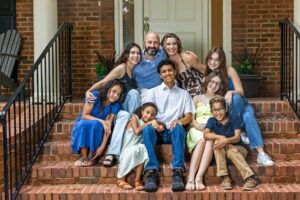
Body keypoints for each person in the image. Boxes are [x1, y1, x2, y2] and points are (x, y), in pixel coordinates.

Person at [205, 46, 274, 166]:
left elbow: (241, 91)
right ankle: (260, 152)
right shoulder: (207, 74)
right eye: (211, 59)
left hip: (241, 105)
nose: (213, 62)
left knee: (236, 98)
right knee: (248, 118)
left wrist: (230, 92)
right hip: (227, 111)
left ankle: (244, 135)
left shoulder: (229, 70)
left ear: (222, 61)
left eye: (217, 60)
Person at [142, 59, 195, 192]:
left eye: (170, 70)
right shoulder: (152, 92)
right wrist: (155, 123)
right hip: (157, 130)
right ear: (160, 75)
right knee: (147, 129)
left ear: (175, 72)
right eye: (164, 72)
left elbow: (189, 116)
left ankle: (177, 171)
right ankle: (151, 172)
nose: (167, 73)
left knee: (179, 128)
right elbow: (147, 115)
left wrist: (179, 121)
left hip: (174, 131)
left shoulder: (184, 94)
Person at [85, 43, 142, 166]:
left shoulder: (135, 71)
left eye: (138, 53)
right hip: (116, 109)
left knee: (125, 115)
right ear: (126, 55)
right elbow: (104, 82)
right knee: (133, 93)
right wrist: (88, 91)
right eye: (132, 53)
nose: (135, 56)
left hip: (124, 112)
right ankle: (112, 153)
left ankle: (113, 152)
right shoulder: (121, 68)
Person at [203, 95, 258, 191]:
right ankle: (225, 177)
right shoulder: (212, 120)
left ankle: (251, 178)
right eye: (215, 110)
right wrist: (220, 137)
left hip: (239, 150)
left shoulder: (234, 118)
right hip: (223, 154)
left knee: (231, 150)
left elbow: (237, 138)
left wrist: (226, 141)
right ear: (211, 111)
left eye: (220, 109)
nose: (218, 112)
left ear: (225, 108)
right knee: (217, 145)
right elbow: (206, 134)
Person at [185, 72, 224, 191]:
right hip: (196, 128)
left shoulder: (220, 100)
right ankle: (190, 178)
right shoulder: (197, 98)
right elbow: (190, 118)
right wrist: (197, 125)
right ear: (207, 81)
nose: (213, 85)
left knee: (209, 140)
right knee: (202, 140)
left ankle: (199, 177)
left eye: (217, 83)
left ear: (220, 86)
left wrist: (209, 128)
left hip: (212, 129)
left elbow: (221, 118)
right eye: (212, 81)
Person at [71, 80, 123, 166]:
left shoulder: (115, 105)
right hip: (83, 123)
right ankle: (84, 157)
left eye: (118, 94)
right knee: (88, 124)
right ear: (108, 89)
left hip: (97, 128)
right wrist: (102, 121)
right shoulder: (94, 95)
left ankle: (91, 156)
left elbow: (108, 127)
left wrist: (102, 147)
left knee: (97, 125)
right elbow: (84, 116)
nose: (115, 96)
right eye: (114, 91)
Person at [117, 102, 160, 191]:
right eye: (147, 112)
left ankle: (137, 180)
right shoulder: (134, 118)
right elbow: (136, 131)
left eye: (152, 115)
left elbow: (160, 124)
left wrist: (157, 123)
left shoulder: (149, 124)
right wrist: (149, 123)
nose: (149, 116)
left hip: (137, 149)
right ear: (141, 111)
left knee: (143, 148)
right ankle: (121, 179)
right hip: (126, 150)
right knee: (141, 148)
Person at [161, 33, 206, 98]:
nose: (171, 47)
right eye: (168, 44)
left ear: (178, 45)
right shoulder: (165, 62)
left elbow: (205, 70)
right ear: (164, 47)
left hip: (199, 92)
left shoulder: (187, 57)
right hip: (182, 97)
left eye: (174, 44)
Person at [133, 32, 167, 102]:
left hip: (159, 89)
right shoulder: (137, 57)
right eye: (149, 42)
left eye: (155, 42)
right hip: (143, 91)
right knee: (148, 95)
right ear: (144, 43)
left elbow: (174, 53)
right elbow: (122, 68)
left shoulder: (163, 53)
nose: (152, 45)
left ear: (159, 44)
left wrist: (185, 53)